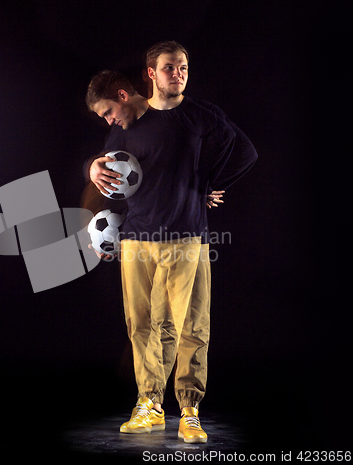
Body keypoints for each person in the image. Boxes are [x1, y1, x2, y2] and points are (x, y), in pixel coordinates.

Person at [83, 41, 258, 443]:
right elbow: (104, 178)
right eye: (168, 67)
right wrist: (90, 168)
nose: (177, 73)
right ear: (151, 73)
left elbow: (244, 151)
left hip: (187, 239)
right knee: (142, 326)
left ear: (123, 96)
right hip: (136, 243)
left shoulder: (198, 116)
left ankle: (190, 410)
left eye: (181, 67)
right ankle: (149, 404)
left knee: (192, 326)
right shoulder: (123, 130)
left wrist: (208, 185)